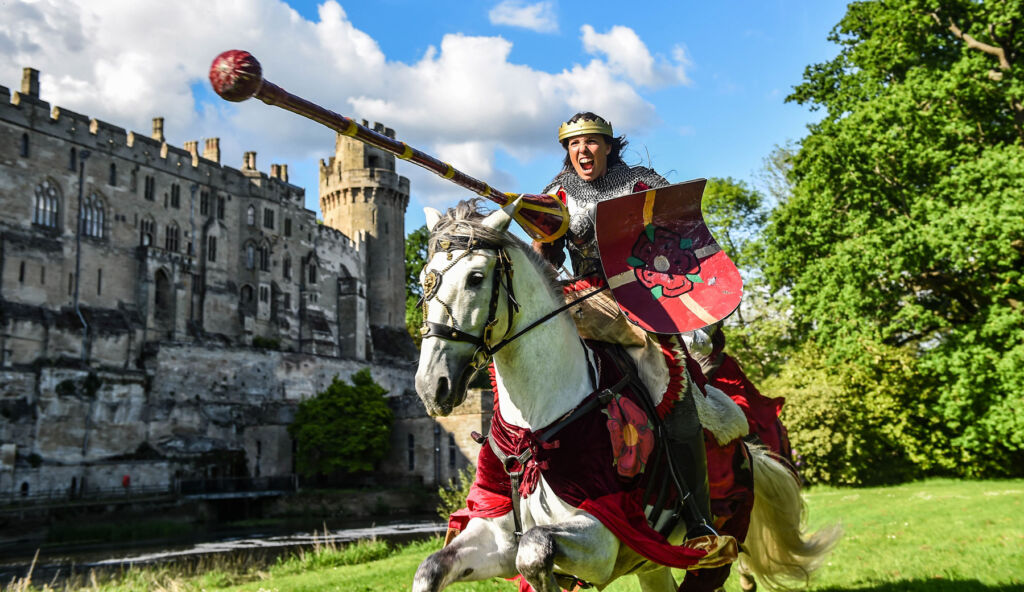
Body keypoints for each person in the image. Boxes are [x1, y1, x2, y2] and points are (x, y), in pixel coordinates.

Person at [534, 112, 718, 542]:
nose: (583, 151)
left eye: (592, 142)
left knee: (676, 399)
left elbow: (678, 241)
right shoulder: (557, 194)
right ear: (567, 152)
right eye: (574, 144)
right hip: (582, 301)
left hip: (643, 300)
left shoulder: (640, 183)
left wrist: (685, 305)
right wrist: (539, 228)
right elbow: (546, 264)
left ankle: (698, 518)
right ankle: (512, 508)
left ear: (610, 145)